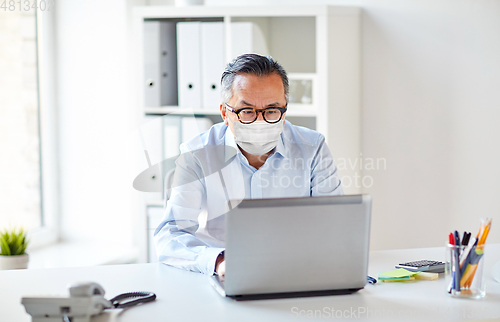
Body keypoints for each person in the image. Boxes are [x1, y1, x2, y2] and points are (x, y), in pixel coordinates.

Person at [154, 54, 343, 276]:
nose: (260, 121)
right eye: (247, 111)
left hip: (296, 271)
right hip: (224, 274)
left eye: (272, 110)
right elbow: (171, 234)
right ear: (225, 113)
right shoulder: (197, 154)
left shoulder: (312, 148)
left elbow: (334, 225)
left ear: (284, 111)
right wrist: (219, 262)